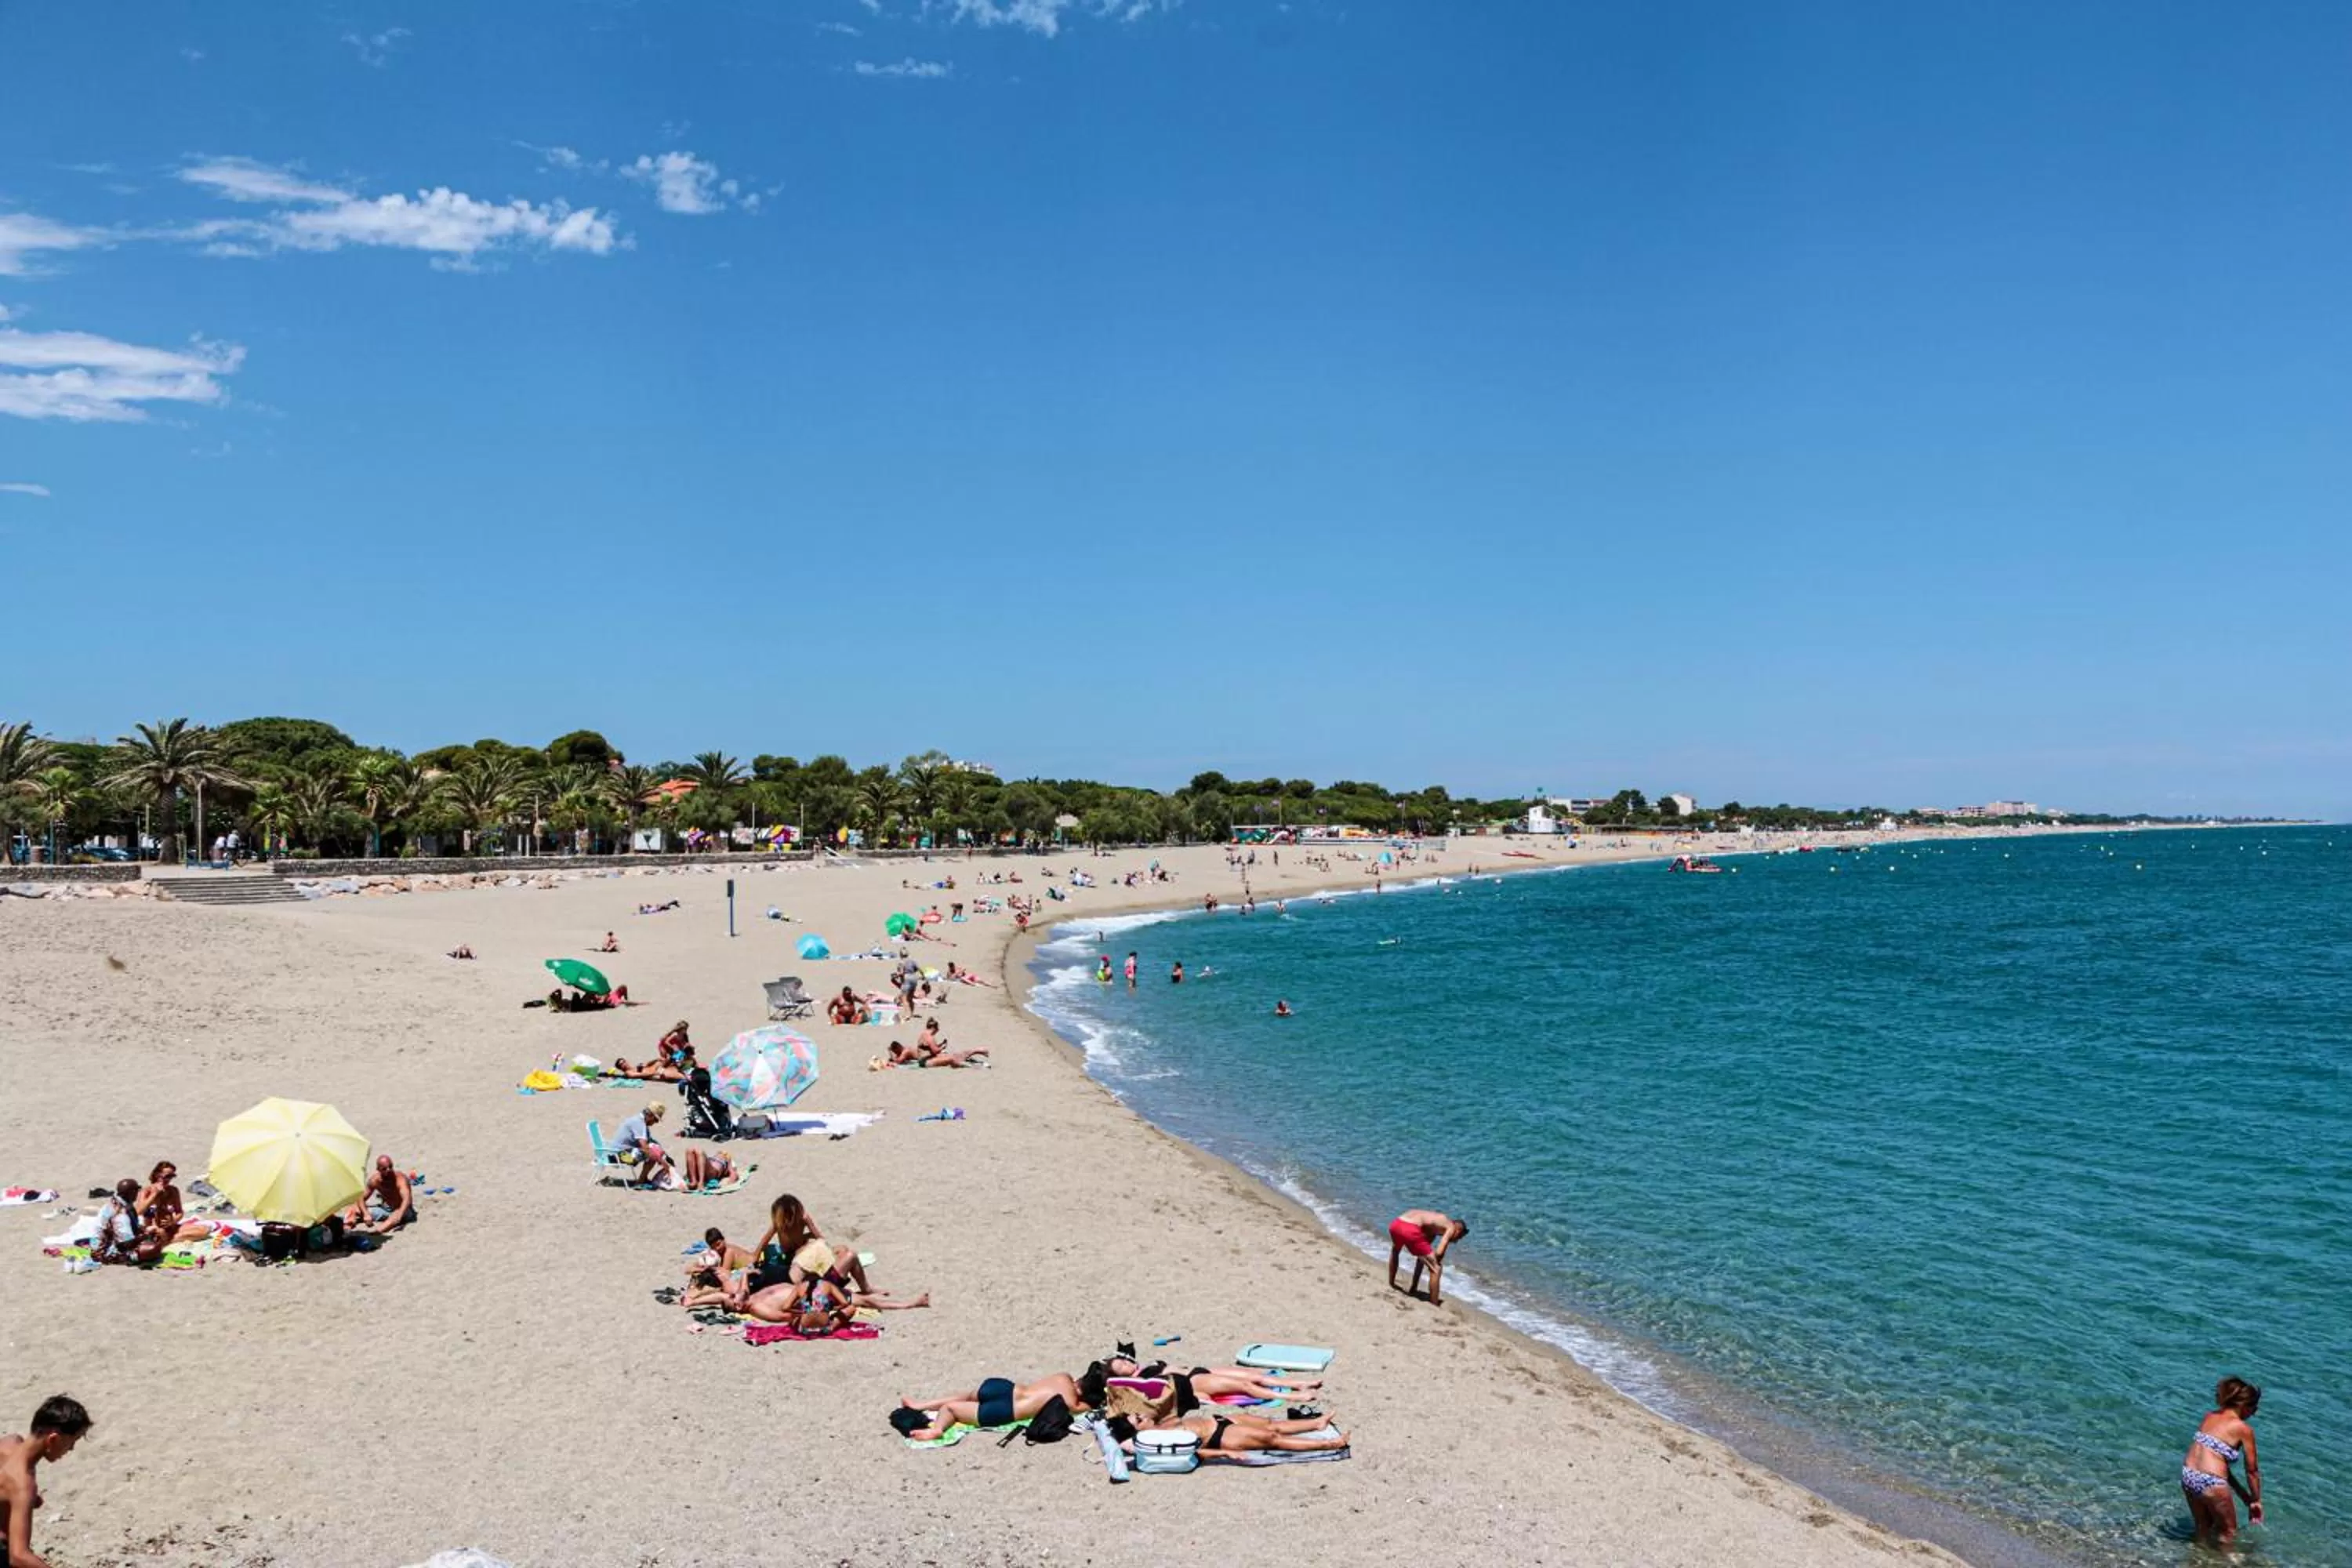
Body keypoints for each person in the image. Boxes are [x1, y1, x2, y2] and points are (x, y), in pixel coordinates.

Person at [1, 1395, 93, 1568]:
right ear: (53, 1439)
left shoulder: (9, 1443)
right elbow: (18, 1556)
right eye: (72, 1442)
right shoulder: (23, 1485)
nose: (71, 1449)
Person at [2180, 1376, 2263, 1544]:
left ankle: (2196, 1560)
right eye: (2254, 1409)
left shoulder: (2209, 1417)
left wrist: (2246, 1498)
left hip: (2188, 1475)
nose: (2254, 1413)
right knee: (2228, 1533)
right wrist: (2256, 1501)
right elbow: (2252, 1472)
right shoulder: (2243, 1429)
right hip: (2211, 1481)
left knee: (2203, 1526)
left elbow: (2221, 1468)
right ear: (2244, 1406)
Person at [893, 1374, 1088, 1440]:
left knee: (968, 1396)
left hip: (1005, 1388)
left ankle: (920, 1405)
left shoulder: (1064, 1376)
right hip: (1007, 1410)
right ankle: (937, 1429)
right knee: (952, 1409)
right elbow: (1078, 1406)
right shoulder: (1073, 1403)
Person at [1387, 1208, 1469, 1305]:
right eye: (1459, 1237)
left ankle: (1392, 1284)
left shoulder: (1433, 1228)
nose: (1456, 1242)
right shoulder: (1451, 1226)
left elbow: (1421, 1258)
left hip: (1396, 1224)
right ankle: (1434, 1304)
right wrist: (1436, 1261)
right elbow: (1439, 1253)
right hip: (1410, 1228)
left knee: (1395, 1250)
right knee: (1436, 1269)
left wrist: (1414, 1286)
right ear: (1458, 1230)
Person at [137, 1160, 211, 1243]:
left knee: (205, 1230)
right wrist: (154, 1194)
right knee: (162, 1233)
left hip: (171, 1227)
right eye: (167, 1176)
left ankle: (170, 1239)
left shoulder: (173, 1191)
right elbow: (139, 1211)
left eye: (172, 1176)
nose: (169, 1179)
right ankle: (168, 1240)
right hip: (154, 1230)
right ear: (157, 1175)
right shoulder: (146, 1191)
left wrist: (173, 1221)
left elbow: (179, 1212)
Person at [91, 1179, 158, 1267]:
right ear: (130, 1193)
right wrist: (145, 1235)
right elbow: (125, 1244)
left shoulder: (117, 1202)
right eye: (136, 1191)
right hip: (105, 1252)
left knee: (153, 1238)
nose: (137, 1194)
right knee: (152, 1249)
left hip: (108, 1242)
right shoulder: (121, 1215)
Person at [343, 1156, 415, 1235]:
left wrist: (400, 1214)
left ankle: (377, 1232)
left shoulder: (400, 1179)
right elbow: (361, 1197)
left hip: (404, 1210)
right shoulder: (375, 1180)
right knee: (354, 1207)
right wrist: (366, 1214)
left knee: (396, 1214)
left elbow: (407, 1199)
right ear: (378, 1169)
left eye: (390, 1167)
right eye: (384, 1169)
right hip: (386, 1210)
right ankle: (346, 1229)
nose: (389, 1170)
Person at [614, 1103, 675, 1188]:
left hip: (619, 1152)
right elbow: (645, 1147)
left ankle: (644, 1178)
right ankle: (640, 1182)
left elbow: (652, 1142)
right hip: (619, 1156)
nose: (656, 1123)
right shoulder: (639, 1123)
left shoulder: (640, 1121)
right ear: (650, 1115)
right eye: (656, 1120)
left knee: (654, 1150)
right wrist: (662, 1162)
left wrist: (666, 1156)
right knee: (652, 1154)